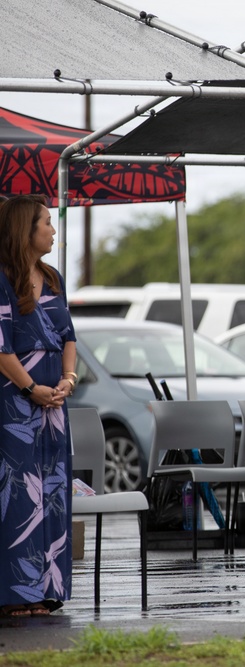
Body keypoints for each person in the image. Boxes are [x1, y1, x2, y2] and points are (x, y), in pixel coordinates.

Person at [0, 195, 77, 617]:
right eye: (46, 223)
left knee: (53, 492)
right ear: (25, 229)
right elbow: (1, 348)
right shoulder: (2, 279)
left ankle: (49, 589)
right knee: (18, 495)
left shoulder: (53, 276)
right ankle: (16, 594)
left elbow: (69, 336)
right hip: (15, 405)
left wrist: (66, 380)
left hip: (54, 406)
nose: (52, 230)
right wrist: (32, 389)